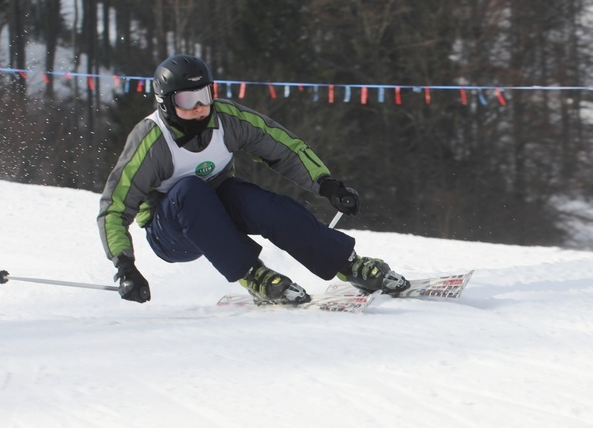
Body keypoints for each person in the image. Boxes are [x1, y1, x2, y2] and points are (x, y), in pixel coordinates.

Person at [97, 54, 409, 304]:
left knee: (267, 205)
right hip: (171, 232)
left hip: (217, 204)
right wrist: (125, 266)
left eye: (204, 95)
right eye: (186, 101)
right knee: (190, 190)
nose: (199, 108)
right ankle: (253, 274)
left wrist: (326, 183)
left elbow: (284, 148)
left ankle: (347, 263)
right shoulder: (151, 140)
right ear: (165, 102)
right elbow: (114, 207)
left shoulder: (227, 120)